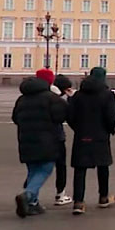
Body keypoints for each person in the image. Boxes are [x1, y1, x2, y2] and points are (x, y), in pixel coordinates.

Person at [12, 69, 67, 217]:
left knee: (33, 170)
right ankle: (28, 195)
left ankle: (32, 204)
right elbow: (61, 116)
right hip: (47, 140)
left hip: (26, 140)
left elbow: (15, 118)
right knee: (45, 168)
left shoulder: (21, 99)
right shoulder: (51, 98)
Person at [66, 66, 115, 214]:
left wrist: (78, 128)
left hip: (82, 135)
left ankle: (78, 202)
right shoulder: (108, 95)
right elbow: (111, 116)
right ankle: (103, 197)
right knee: (103, 166)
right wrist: (110, 129)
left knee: (80, 169)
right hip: (100, 135)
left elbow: (70, 116)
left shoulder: (78, 96)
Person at [50, 71, 74, 207]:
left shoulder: (42, 95)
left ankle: (31, 194)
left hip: (38, 137)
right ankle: (60, 194)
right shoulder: (58, 101)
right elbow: (69, 116)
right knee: (60, 166)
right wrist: (71, 99)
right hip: (56, 136)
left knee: (38, 167)